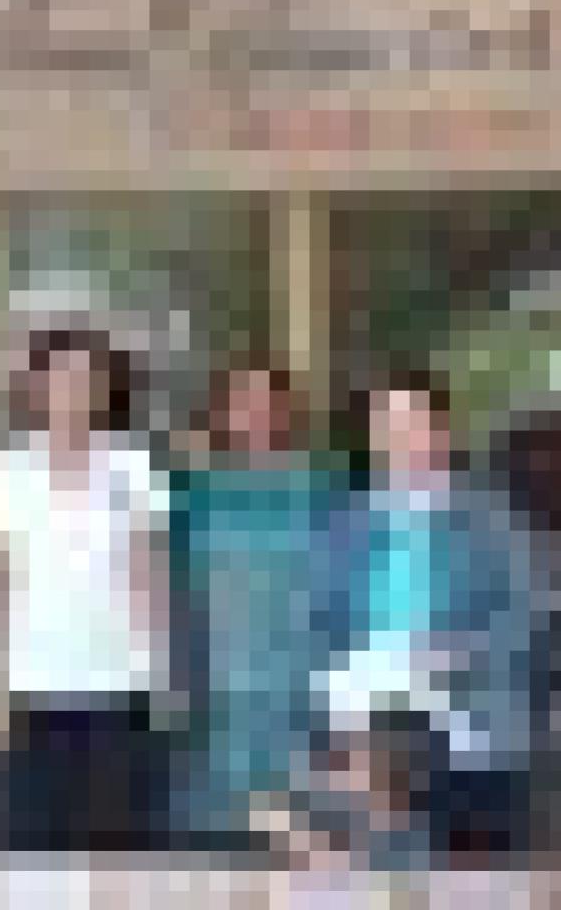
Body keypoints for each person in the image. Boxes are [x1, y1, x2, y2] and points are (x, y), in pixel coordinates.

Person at [307, 373, 544, 867]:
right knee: (376, 874)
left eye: (413, 422)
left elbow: (525, 614)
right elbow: (318, 621)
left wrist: (462, 651)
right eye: (386, 425)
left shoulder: (489, 519)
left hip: (471, 726)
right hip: (370, 734)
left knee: (476, 879)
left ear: (442, 432)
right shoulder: (343, 522)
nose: (401, 438)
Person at [0, 327, 174, 853]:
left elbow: (149, 574)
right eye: (61, 375)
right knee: (37, 846)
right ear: (37, 387)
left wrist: (162, 673)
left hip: (120, 684)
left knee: (119, 842)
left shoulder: (134, 466)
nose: (74, 387)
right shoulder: (5, 471)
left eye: (88, 376)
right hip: (32, 686)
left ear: (105, 389)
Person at [170, 364, 341, 854]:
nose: (256, 413)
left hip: (300, 689)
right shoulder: (190, 493)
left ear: (287, 413)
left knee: (303, 833)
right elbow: (168, 591)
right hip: (216, 689)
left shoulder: (323, 491)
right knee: (217, 837)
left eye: (268, 401)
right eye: (243, 401)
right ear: (221, 413)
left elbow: (345, 588)